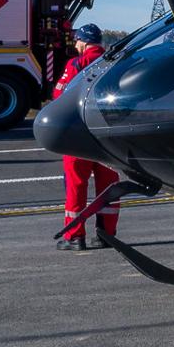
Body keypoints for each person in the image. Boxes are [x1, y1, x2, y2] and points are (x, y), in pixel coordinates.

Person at [57, 24, 116, 251]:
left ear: (83, 42)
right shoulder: (113, 63)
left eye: (77, 41)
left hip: (79, 133)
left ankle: (75, 237)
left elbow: (59, 94)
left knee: (76, 185)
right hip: (108, 135)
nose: (75, 45)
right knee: (108, 184)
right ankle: (107, 234)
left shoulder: (76, 64)